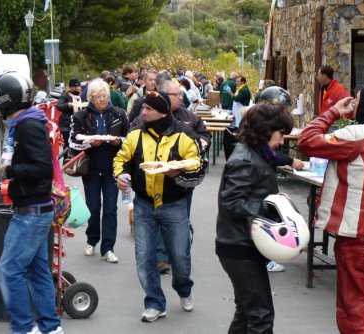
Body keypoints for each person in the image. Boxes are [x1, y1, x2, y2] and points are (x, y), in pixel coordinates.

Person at [298, 83, 364, 333]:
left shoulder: (358, 134)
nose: (354, 104)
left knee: (354, 309)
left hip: (356, 231)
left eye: (357, 100)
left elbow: (307, 141)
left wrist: (334, 112)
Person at [113, 91, 205, 322]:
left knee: (180, 258)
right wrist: (121, 176)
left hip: (174, 205)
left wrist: (178, 172)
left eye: (148, 109)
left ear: (162, 112)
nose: (142, 112)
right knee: (144, 257)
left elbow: (198, 168)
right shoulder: (135, 134)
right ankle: (154, 302)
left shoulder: (185, 135)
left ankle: (183, 289)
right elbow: (121, 159)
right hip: (143, 205)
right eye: (143, 108)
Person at [0, 72, 63, 334]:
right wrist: (5, 169)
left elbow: (42, 168)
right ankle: (50, 328)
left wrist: (9, 172)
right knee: (37, 270)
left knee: (8, 270)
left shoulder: (28, 126)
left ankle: (23, 328)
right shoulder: (28, 122)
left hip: (31, 211)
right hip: (37, 209)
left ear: (6, 100)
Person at [215, 103, 295, 333]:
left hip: (240, 244)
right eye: (281, 135)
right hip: (240, 247)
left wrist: (271, 199)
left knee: (247, 313)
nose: (282, 142)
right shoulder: (246, 159)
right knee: (260, 316)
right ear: (266, 130)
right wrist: (270, 206)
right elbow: (231, 203)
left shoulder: (254, 154)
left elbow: (243, 196)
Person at [69, 79, 129, 263]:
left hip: (113, 169)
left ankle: (108, 248)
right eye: (98, 96)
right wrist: (89, 142)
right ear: (91, 98)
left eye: (105, 96)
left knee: (111, 209)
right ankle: (91, 240)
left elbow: (130, 138)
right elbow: (72, 141)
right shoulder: (80, 117)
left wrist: (119, 141)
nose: (103, 99)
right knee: (93, 208)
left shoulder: (119, 114)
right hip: (92, 169)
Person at [57, 78, 83, 149]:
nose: (80, 88)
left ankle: (73, 159)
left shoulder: (79, 96)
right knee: (68, 143)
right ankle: (66, 159)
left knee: (75, 143)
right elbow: (59, 106)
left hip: (76, 123)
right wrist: (68, 105)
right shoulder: (65, 95)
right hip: (66, 123)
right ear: (74, 87)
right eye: (78, 86)